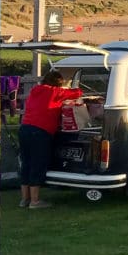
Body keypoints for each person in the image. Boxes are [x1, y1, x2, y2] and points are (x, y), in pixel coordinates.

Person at [19, 70, 83, 209]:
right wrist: (69, 88)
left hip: (25, 129)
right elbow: (77, 93)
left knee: (26, 163)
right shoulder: (55, 92)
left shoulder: (36, 89)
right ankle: (35, 202)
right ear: (58, 83)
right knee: (38, 163)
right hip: (40, 132)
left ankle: (25, 199)